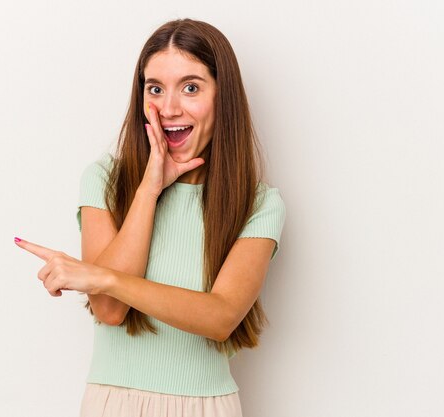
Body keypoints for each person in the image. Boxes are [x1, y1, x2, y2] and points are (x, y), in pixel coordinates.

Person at [15, 18, 286, 417]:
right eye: (155, 88)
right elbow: (109, 311)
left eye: (191, 87)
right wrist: (148, 189)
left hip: (204, 406)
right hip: (112, 404)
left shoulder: (259, 203)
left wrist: (102, 276)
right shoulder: (106, 180)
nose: (170, 107)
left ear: (222, 96)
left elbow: (221, 316)